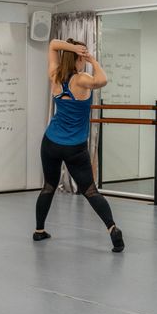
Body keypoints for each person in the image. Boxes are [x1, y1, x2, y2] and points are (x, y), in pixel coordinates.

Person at [34, 38, 124, 252]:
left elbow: (53, 44)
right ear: (78, 59)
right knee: (90, 190)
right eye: (81, 57)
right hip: (74, 147)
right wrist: (92, 59)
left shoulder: (55, 75)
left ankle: (39, 230)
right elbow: (103, 80)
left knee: (49, 186)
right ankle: (112, 229)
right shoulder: (82, 79)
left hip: (51, 142)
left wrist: (73, 48)